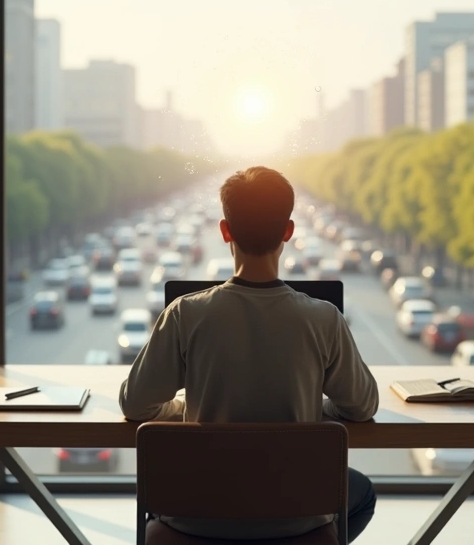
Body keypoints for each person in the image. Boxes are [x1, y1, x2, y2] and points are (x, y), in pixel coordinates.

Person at [120, 166, 379, 542]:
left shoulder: (185, 314)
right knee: (361, 492)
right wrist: (313, 410)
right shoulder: (323, 319)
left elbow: (135, 405)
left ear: (225, 231)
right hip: (296, 518)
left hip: (194, 519)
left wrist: (186, 409)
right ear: (288, 231)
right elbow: (363, 407)